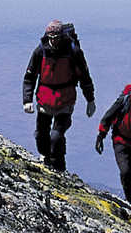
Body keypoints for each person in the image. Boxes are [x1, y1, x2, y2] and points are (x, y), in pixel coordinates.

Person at [19, 21, 94, 171]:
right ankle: (45, 158)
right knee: (41, 135)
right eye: (51, 37)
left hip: (65, 99)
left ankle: (59, 168)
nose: (53, 40)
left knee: (56, 136)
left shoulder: (73, 52)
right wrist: (27, 100)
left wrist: (90, 100)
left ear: (62, 36)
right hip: (44, 99)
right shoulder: (40, 51)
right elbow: (30, 76)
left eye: (56, 37)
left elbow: (84, 77)